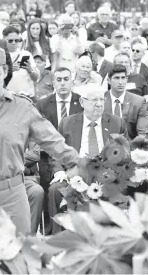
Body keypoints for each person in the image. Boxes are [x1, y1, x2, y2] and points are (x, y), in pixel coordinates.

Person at [0, 47, 81, 234]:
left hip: (13, 193)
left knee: (20, 252)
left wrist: (75, 161)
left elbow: (50, 138)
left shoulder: (23, 107)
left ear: (5, 72)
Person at [48, 84, 127, 234]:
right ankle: (57, 240)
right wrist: (59, 172)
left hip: (106, 173)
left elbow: (124, 153)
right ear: (83, 102)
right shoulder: (67, 123)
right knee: (55, 189)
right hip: (75, 171)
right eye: (94, 100)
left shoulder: (117, 123)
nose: (99, 104)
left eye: (101, 100)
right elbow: (56, 152)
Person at [36, 67, 83, 194]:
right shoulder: (42, 104)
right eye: (59, 80)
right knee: (48, 183)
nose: (62, 83)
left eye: (66, 79)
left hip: (74, 153)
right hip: (48, 156)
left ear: (72, 82)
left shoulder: (81, 102)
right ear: (53, 83)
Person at [104, 64, 148, 140]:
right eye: (116, 78)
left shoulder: (139, 102)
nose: (120, 82)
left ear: (127, 79)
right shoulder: (101, 100)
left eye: (123, 78)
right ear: (108, 80)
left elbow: (143, 133)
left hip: (130, 146)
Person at [3, 26, 39, 99]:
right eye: (10, 40)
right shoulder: (0, 55)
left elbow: (36, 78)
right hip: (7, 97)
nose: (14, 43)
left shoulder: (26, 54)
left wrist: (30, 70)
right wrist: (10, 70)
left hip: (26, 96)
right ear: (4, 39)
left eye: (16, 40)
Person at [23, 141, 45, 235]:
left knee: (37, 191)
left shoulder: (26, 128)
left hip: (25, 178)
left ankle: (29, 240)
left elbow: (35, 154)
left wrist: (9, 160)